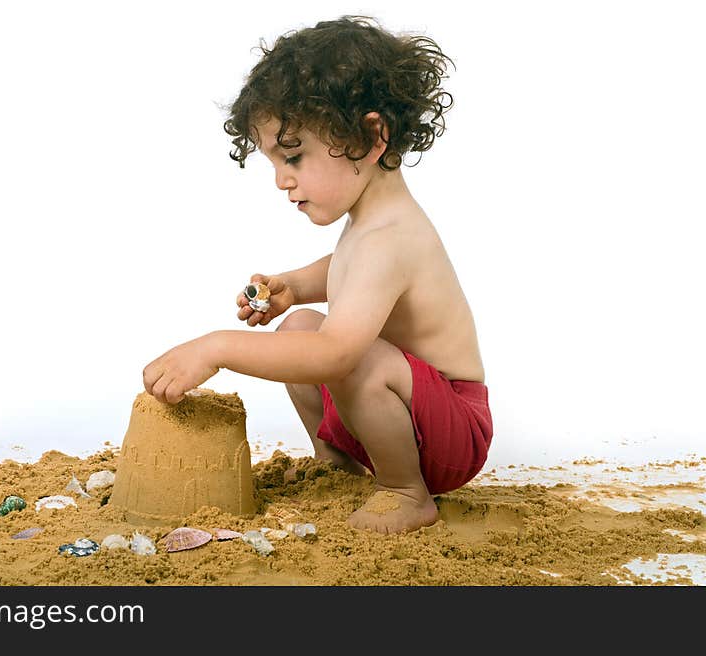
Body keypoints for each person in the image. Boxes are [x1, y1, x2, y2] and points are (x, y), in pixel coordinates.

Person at [143, 15, 492, 534]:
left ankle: (406, 491)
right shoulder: (372, 226)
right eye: (275, 163)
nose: (283, 180)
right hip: (402, 416)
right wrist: (295, 287)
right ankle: (337, 461)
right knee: (300, 327)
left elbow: (338, 354)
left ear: (372, 136)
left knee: (348, 356)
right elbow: (345, 271)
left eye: (294, 156)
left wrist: (216, 347)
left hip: (451, 432)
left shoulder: (391, 237)